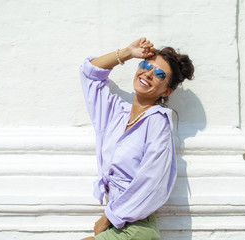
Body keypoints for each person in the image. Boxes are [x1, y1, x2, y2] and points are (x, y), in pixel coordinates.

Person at [79, 37, 194, 240]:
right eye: (145, 65)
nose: (148, 74)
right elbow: (89, 74)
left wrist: (108, 217)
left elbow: (152, 181)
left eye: (159, 75)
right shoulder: (115, 113)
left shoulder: (158, 121)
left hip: (136, 227)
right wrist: (127, 53)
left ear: (166, 91)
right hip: (119, 224)